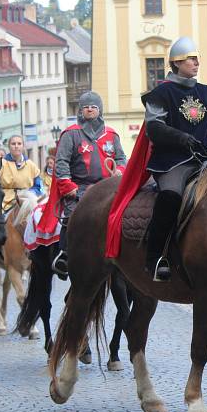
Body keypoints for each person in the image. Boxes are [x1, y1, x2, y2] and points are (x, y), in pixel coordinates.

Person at [140, 36, 207, 281]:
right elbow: (154, 128)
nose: (196, 63)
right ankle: (155, 257)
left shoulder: (205, 91)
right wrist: (182, 138)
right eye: (191, 59)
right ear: (177, 62)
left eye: (196, 59)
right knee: (171, 196)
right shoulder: (161, 93)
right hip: (173, 161)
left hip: (205, 157)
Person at [41, 91, 127, 277]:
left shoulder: (111, 135)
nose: (90, 109)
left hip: (106, 188)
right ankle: (65, 254)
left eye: (93, 107)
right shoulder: (71, 134)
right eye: (86, 107)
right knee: (71, 217)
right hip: (78, 188)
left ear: (99, 110)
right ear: (80, 110)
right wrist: (68, 186)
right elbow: (61, 161)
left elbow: (121, 158)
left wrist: (118, 172)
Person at [0, 135, 42, 214]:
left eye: (19, 144)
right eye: (13, 144)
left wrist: (29, 194)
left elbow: (38, 186)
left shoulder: (31, 165)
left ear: (23, 146)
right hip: (6, 204)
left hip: (28, 201)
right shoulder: (0, 164)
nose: (16, 146)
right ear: (9, 147)